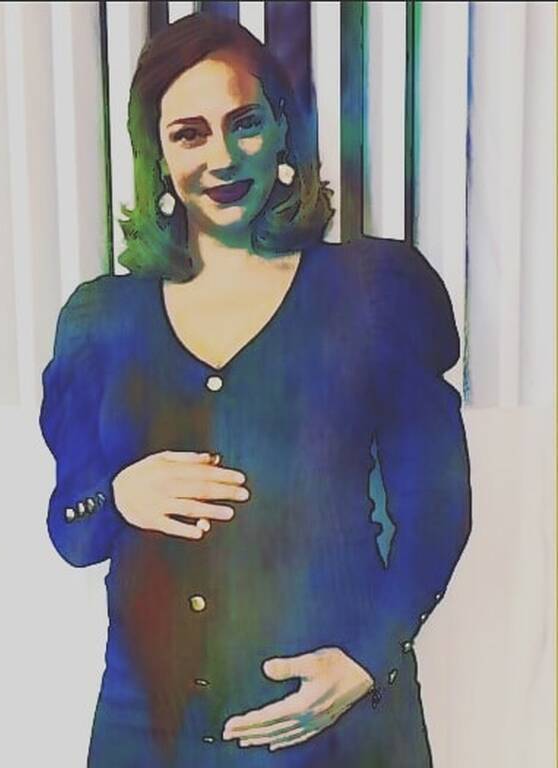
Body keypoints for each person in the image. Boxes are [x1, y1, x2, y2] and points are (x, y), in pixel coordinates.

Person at [39, 13, 472, 768]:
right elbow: (73, 532)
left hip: (342, 729)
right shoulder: (100, 321)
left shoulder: (375, 292)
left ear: (280, 130)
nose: (222, 155)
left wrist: (367, 661)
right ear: (158, 156)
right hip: (151, 736)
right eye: (190, 134)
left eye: (243, 122)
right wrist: (120, 496)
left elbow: (438, 509)